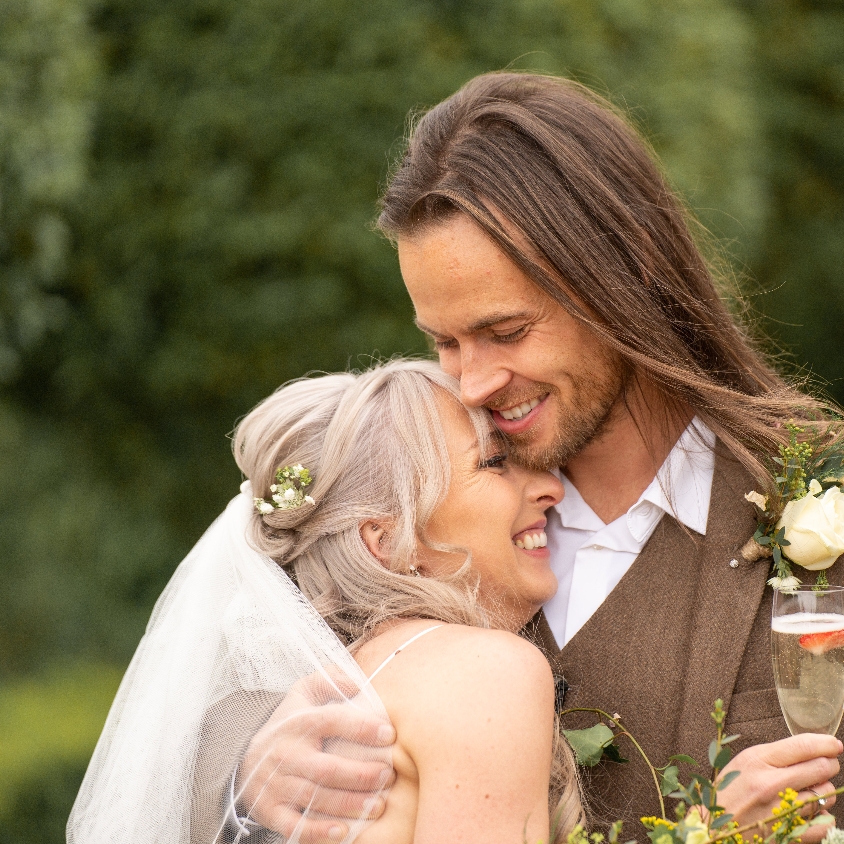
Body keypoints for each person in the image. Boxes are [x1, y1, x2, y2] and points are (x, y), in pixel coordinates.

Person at [239, 72, 844, 842]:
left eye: (507, 331)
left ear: (626, 273)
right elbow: (212, 684)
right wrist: (245, 764)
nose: (474, 382)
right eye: (444, 342)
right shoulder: (408, 512)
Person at [69, 360, 585, 844]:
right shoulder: (484, 671)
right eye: (495, 463)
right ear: (387, 541)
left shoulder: (340, 684)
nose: (550, 486)